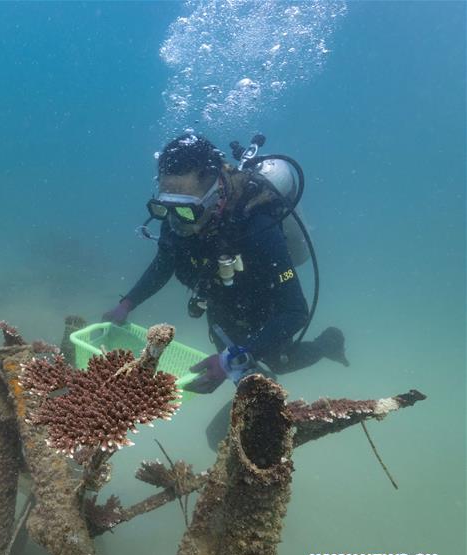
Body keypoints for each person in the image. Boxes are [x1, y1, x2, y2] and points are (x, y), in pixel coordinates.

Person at [103, 133, 348, 394]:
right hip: (218, 300)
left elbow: (296, 312)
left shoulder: (257, 227)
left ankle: (328, 344)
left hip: (263, 304)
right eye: (167, 208)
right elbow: (165, 263)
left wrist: (229, 361)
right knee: (229, 360)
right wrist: (126, 304)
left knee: (275, 362)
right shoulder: (177, 216)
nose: (176, 222)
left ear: (216, 193)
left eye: (187, 209)